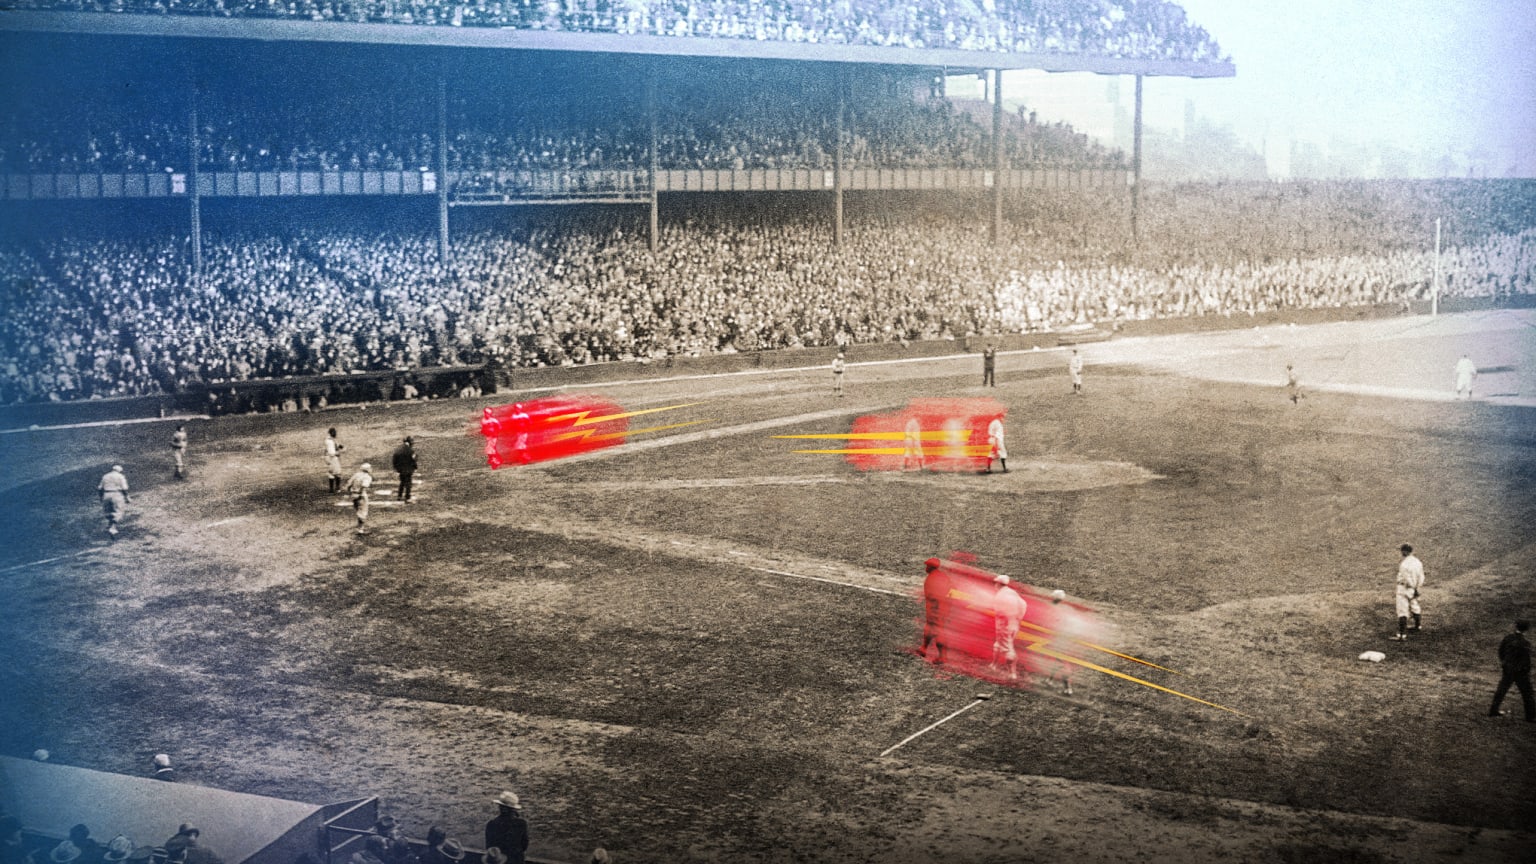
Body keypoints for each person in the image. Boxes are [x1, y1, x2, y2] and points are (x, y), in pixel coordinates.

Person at [1488, 620, 1534, 721]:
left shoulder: (1508, 638)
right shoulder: (1525, 643)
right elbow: (1526, 660)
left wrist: (1504, 663)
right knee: (1527, 693)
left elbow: (1501, 651)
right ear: (1526, 630)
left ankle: (1493, 710)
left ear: (1516, 627)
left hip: (1508, 669)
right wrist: (1526, 671)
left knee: (1501, 690)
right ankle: (1530, 716)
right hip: (1520, 672)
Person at [990, 574, 1028, 683]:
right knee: (998, 644)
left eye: (995, 583)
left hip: (1004, 626)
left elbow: (999, 612)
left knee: (1008, 649)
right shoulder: (1012, 592)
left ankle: (1012, 674)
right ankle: (994, 665)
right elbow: (1023, 604)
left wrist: (1006, 621)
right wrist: (1018, 618)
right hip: (1014, 624)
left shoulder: (999, 596)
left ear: (998, 584)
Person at [920, 558, 950, 663]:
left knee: (938, 632)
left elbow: (935, 596)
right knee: (929, 628)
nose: (926, 568)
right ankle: (923, 648)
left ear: (930, 567)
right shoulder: (943, 576)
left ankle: (943, 657)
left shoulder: (932, 579)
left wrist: (936, 611)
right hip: (941, 608)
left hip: (936, 609)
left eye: (927, 566)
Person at [485, 791, 530, 864]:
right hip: (517, 860)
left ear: (501, 808)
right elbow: (524, 845)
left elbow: (489, 847)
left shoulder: (492, 824)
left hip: (499, 860)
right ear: (513, 809)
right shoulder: (521, 823)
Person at [1393, 544, 1424, 640]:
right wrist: (1417, 587)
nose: (1401, 553)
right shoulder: (1418, 562)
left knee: (1402, 610)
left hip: (1404, 588)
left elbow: (1407, 578)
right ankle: (1417, 626)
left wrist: (1412, 586)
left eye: (1402, 551)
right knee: (1415, 605)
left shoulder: (1404, 564)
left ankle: (1402, 635)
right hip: (1414, 588)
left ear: (1405, 551)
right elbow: (1422, 576)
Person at [97, 464, 130, 538]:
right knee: (118, 510)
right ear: (119, 471)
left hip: (106, 494)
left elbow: (100, 488)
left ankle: (110, 525)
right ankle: (112, 527)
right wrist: (127, 497)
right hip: (116, 494)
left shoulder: (105, 476)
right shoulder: (120, 476)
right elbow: (124, 488)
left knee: (108, 511)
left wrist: (101, 497)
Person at [347, 463, 374, 535]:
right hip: (361, 495)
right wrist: (360, 493)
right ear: (367, 469)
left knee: (359, 511)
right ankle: (360, 529)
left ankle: (360, 528)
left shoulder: (356, 474)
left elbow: (349, 484)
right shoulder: (367, 477)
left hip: (353, 494)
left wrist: (351, 492)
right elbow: (364, 485)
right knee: (363, 512)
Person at [391, 437, 418, 503]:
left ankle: (399, 496)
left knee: (402, 482)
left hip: (401, 470)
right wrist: (415, 467)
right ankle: (407, 497)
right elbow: (414, 460)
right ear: (409, 442)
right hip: (409, 469)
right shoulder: (411, 450)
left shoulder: (398, 449)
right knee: (408, 483)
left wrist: (397, 469)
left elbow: (394, 460)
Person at [325, 428, 346, 493]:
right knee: (337, 473)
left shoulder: (330, 440)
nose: (335, 434)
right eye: (334, 433)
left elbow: (337, 444)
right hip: (332, 458)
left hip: (328, 458)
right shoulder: (330, 441)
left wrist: (341, 447)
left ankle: (332, 489)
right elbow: (332, 453)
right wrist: (340, 452)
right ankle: (337, 489)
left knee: (331, 473)